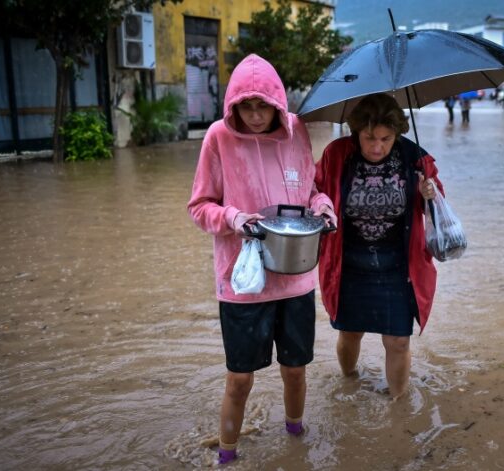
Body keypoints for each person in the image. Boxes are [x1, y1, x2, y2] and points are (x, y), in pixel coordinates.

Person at [187, 54, 336, 465]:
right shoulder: (218, 137)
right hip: (243, 282)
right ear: (233, 107)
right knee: (239, 379)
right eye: (246, 107)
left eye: (262, 106)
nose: (254, 116)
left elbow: (311, 192)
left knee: (295, 370)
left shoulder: (297, 131)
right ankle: (228, 456)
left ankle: (295, 438)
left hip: (296, 277)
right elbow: (199, 206)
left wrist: (324, 208)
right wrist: (234, 218)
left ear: (277, 103)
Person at [315, 93, 444, 399]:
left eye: (386, 139)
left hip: (399, 268)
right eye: (369, 137)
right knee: (349, 332)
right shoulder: (336, 155)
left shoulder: (416, 159)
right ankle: (349, 380)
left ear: (397, 133)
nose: (376, 147)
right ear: (356, 131)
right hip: (348, 265)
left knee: (399, 341)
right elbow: (315, 191)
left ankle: (399, 406)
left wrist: (431, 192)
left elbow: (439, 208)